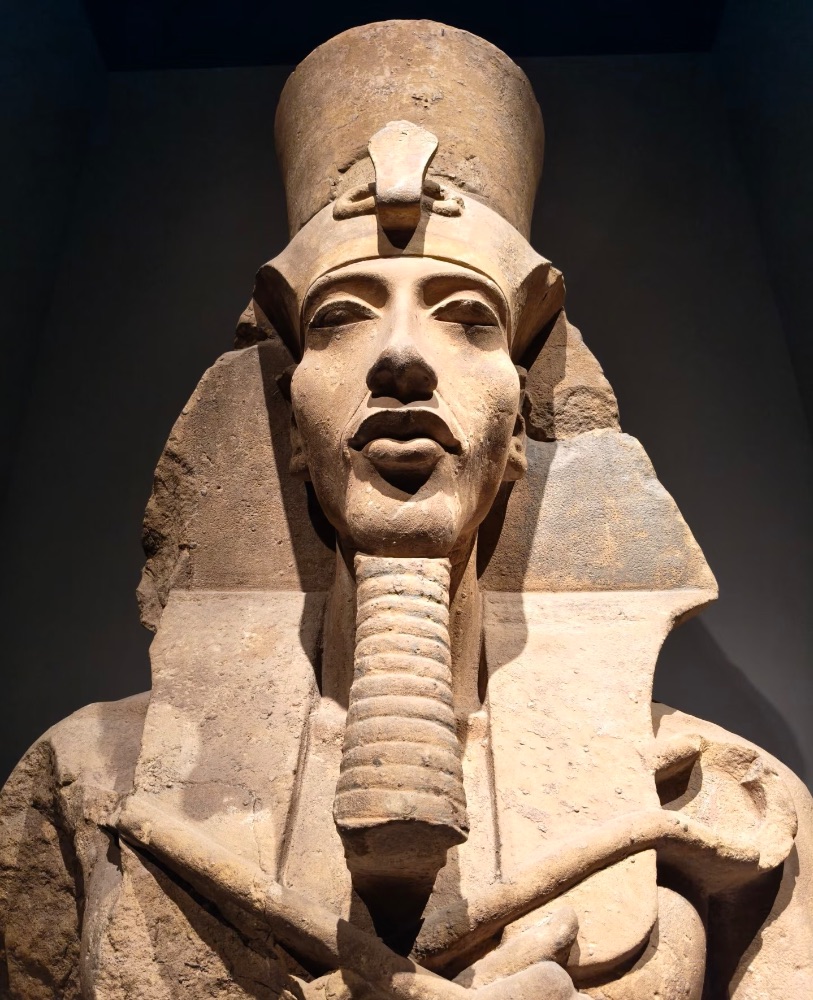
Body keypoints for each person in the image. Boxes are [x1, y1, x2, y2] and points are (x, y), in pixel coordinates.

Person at [1, 20, 811, 1000]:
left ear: (521, 428)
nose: (400, 358)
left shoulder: (721, 799)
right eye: (341, 317)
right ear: (289, 424)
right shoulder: (87, 784)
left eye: (467, 319)